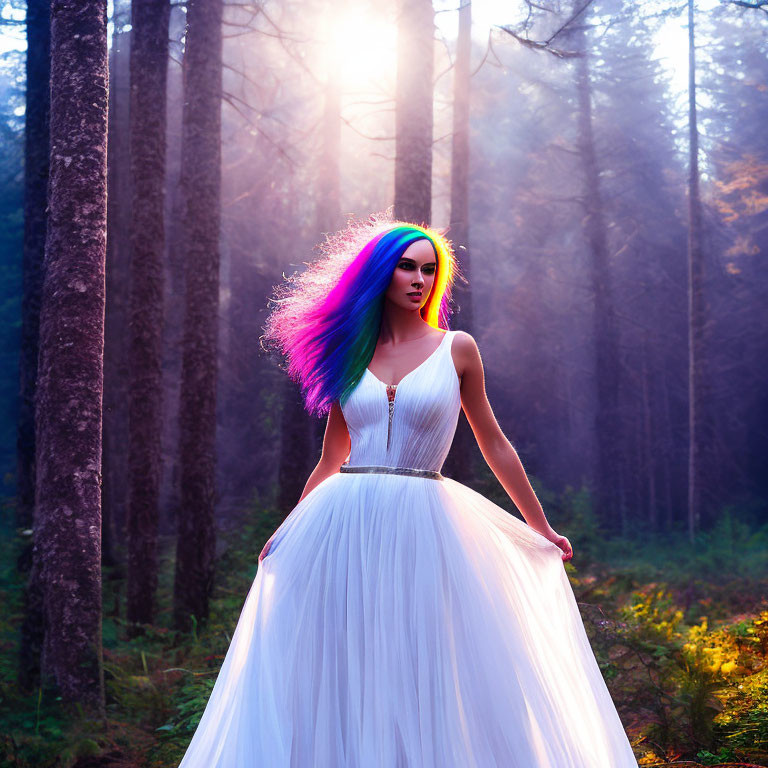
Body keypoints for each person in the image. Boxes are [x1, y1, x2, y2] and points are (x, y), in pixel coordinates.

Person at [177, 216, 638, 767]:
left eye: (429, 269)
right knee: (346, 661)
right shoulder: (352, 353)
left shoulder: (457, 349)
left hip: (425, 521)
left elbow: (495, 445)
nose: (419, 278)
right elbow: (331, 458)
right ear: (380, 273)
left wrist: (540, 527)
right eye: (406, 266)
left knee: (427, 659)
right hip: (344, 521)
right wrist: (288, 530)